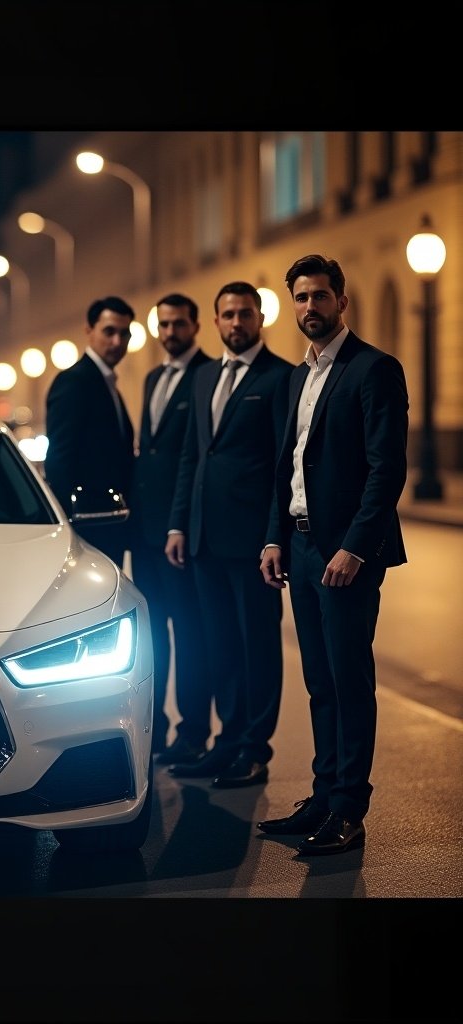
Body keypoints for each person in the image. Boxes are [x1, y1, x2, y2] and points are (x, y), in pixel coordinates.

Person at [258, 254, 408, 856]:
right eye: (301, 298)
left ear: (341, 302)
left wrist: (354, 547)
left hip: (346, 554)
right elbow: (287, 467)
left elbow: (386, 469)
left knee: (349, 680)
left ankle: (349, 808)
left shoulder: (374, 369)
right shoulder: (299, 377)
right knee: (319, 681)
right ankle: (323, 796)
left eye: (321, 296)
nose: (310, 307)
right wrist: (274, 537)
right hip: (298, 544)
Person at [165, 281, 293, 788]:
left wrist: (273, 536)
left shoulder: (281, 377)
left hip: (253, 544)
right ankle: (226, 741)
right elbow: (192, 457)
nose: (236, 323)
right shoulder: (203, 379)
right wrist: (179, 522)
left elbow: (284, 467)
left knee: (256, 646)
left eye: (245, 314)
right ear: (215, 322)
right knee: (218, 645)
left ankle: (254, 749)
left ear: (260, 318)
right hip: (203, 541)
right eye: (228, 315)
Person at [129, 293, 213, 760]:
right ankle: (154, 728)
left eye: (179, 324)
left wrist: (178, 524)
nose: (170, 332)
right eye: (163, 324)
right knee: (152, 636)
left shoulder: (207, 375)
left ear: (195, 325)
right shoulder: (152, 377)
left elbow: (195, 457)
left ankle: (193, 730)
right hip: (145, 534)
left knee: (190, 634)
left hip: (178, 533)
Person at [43, 295, 136, 568]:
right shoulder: (74, 381)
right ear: (89, 331)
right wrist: (69, 524)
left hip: (106, 520)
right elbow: (59, 457)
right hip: (87, 523)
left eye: (124, 333)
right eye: (109, 331)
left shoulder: (105, 382)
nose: (117, 341)